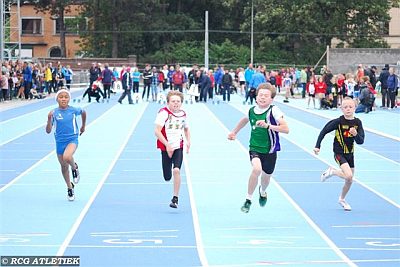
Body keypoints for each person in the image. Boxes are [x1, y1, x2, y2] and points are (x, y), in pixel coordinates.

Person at [228, 83, 289, 213]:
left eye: (266, 96)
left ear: (271, 99)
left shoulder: (274, 111)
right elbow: (244, 120)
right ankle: (248, 199)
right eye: (260, 95)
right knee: (256, 169)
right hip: (254, 147)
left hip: (270, 150)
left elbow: (286, 129)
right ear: (256, 97)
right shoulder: (251, 110)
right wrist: (234, 132)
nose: (262, 98)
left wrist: (268, 126)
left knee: (266, 178)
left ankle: (262, 191)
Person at [313, 97, 365, 211]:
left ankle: (342, 199)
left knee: (349, 180)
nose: (348, 109)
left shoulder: (357, 122)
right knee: (349, 175)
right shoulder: (338, 121)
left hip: (350, 154)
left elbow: (361, 141)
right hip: (339, 152)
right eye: (345, 107)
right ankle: (333, 172)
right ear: (341, 108)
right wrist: (318, 145)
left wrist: (355, 134)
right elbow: (324, 131)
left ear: (355, 108)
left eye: (350, 107)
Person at [46, 89, 86, 201]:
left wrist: (83, 126)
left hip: (72, 139)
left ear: (69, 99)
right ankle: (70, 187)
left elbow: (83, 112)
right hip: (59, 142)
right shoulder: (53, 113)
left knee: (67, 157)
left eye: (66, 97)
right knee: (64, 167)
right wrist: (49, 119)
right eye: (61, 97)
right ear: (57, 99)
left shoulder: (74, 110)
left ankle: (75, 167)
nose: (63, 99)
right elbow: (48, 131)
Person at [154, 91, 190, 209]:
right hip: (166, 147)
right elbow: (157, 131)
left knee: (176, 171)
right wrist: (167, 144)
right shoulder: (163, 113)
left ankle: (175, 198)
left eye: (178, 101)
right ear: (168, 102)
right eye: (173, 101)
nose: (176, 103)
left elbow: (186, 129)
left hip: (178, 146)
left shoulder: (183, 114)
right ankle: (169, 176)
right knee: (167, 177)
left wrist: (188, 141)